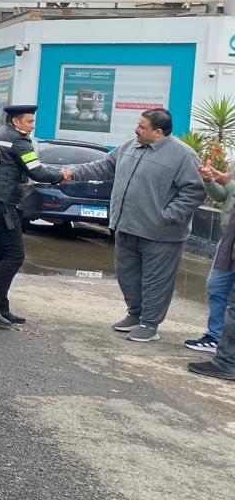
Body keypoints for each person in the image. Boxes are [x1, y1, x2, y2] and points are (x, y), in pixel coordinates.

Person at [60, 108, 204, 342]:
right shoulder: (129, 147)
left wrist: (167, 216)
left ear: (158, 132)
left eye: (142, 127)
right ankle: (135, 314)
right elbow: (103, 166)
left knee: (156, 281)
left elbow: (195, 190)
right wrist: (72, 172)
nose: (136, 130)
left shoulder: (183, 155)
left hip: (160, 233)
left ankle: (150, 324)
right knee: (127, 276)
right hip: (125, 226)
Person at [0, 103, 67, 327]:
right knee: (14, 255)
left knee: (1, 254)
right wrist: (60, 175)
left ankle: (0, 306)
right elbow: (36, 171)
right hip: (2, 204)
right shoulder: (19, 140)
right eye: (29, 121)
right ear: (16, 121)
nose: (33, 126)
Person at [183, 162, 235, 354]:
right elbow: (223, 196)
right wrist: (210, 181)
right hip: (228, 236)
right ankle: (215, 337)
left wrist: (228, 183)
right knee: (217, 286)